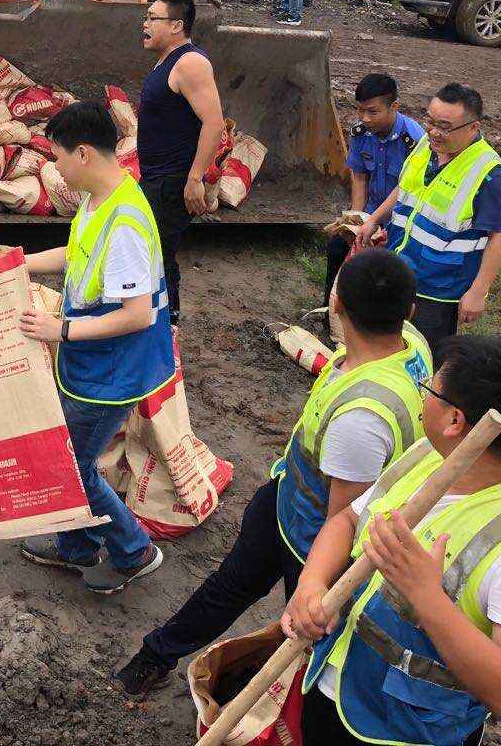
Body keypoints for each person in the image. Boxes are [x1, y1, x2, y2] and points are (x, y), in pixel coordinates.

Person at [116, 250, 431, 695]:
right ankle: (157, 655)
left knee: (300, 630)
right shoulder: (412, 343)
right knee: (231, 585)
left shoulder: (362, 419)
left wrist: (316, 585)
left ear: (335, 303)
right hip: (286, 502)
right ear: (410, 310)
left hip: (313, 541)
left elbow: (343, 519)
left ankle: (252, 689)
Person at [282, 335, 501, 746]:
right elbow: (348, 520)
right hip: (337, 685)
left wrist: (425, 594)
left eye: (429, 391)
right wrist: (311, 583)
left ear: (455, 420)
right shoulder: (430, 454)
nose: (422, 399)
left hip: (404, 733)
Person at [16, 101, 172, 595]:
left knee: (75, 466)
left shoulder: (124, 222)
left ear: (83, 153)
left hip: (114, 369)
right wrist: (16, 262)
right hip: (92, 361)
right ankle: (76, 547)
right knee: (68, 454)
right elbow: (74, 253)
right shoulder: (98, 199)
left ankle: (133, 551)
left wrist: (58, 330)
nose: (55, 168)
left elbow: (136, 314)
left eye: (58, 156)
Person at [358, 83, 501, 351]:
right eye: (429, 121)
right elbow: (405, 188)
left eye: (444, 126)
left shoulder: (489, 173)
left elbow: (500, 235)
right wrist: (374, 219)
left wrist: (478, 292)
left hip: (438, 288)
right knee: (391, 345)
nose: (434, 132)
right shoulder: (426, 146)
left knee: (425, 356)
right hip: (400, 269)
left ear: (473, 127)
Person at [136, 0, 225, 325]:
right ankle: (157, 320)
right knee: (153, 251)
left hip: (174, 180)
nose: (144, 25)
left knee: (158, 254)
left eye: (152, 18)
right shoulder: (166, 61)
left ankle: (167, 322)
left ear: (176, 25)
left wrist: (194, 178)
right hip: (156, 177)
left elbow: (214, 121)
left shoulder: (190, 62)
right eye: (145, 18)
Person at [324, 74, 424, 305]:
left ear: (394, 107)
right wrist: (355, 220)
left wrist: (374, 222)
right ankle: (329, 310)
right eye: (360, 110)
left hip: (400, 222)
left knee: (381, 273)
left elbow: (405, 188)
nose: (365, 118)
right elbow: (359, 177)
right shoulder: (360, 133)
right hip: (371, 216)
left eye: (372, 111)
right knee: (338, 246)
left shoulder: (414, 140)